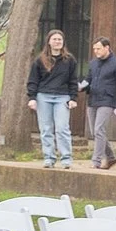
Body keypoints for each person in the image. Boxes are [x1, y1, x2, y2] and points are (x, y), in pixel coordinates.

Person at [25, 30, 79, 169]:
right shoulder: (40, 60)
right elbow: (33, 80)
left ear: (63, 42)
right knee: (46, 129)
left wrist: (73, 97)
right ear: (49, 41)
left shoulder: (69, 60)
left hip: (62, 96)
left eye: (59, 40)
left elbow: (73, 80)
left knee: (62, 128)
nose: (57, 42)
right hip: (44, 96)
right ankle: (49, 158)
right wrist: (32, 97)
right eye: (54, 39)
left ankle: (66, 158)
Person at [84, 37, 116, 170]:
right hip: (93, 99)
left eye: (98, 48)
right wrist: (82, 87)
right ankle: (111, 158)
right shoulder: (93, 63)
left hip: (108, 100)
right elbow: (88, 80)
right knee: (95, 131)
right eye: (94, 49)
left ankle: (96, 161)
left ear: (107, 47)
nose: (96, 51)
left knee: (99, 129)